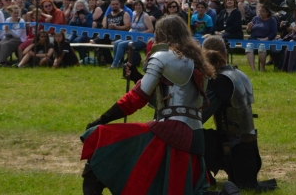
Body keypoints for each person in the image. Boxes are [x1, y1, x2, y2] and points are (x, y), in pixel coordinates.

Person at [80, 16, 214, 195]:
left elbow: (137, 98)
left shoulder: (163, 56)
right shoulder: (195, 60)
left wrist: (103, 119)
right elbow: (165, 101)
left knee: (104, 138)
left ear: (161, 33)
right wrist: (137, 77)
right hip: (195, 134)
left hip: (172, 131)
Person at [201, 35, 276, 192]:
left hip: (235, 151)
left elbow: (199, 116)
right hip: (249, 150)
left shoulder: (220, 80)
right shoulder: (239, 74)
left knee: (191, 136)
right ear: (226, 52)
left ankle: (201, 179)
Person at [110, 0, 153, 70]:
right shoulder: (134, 14)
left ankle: (114, 65)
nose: (138, 7)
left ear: (142, 6)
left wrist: (140, 34)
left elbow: (151, 29)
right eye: (136, 5)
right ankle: (119, 62)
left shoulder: (145, 16)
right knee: (116, 42)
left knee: (121, 44)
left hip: (142, 39)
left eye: (139, 5)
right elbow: (132, 27)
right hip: (132, 37)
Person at [246, 5, 277, 71]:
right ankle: (253, 69)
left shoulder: (272, 20)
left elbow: (274, 33)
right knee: (248, 47)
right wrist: (249, 27)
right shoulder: (255, 18)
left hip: (266, 40)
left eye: (263, 11)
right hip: (254, 39)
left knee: (262, 47)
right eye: (260, 11)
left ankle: (262, 68)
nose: (261, 13)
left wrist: (266, 39)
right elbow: (249, 32)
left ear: (268, 12)